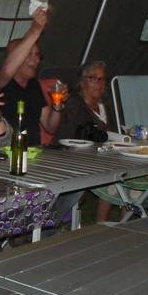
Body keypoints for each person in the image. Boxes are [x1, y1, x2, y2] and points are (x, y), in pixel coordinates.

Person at [0, 6, 63, 146]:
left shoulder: (34, 85)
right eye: (29, 54)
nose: (36, 60)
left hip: (33, 152)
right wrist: (35, 31)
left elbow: (50, 127)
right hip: (5, 152)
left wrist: (57, 104)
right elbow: (6, 72)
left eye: (37, 55)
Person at [51, 61, 115, 222]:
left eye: (102, 79)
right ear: (82, 81)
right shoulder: (74, 104)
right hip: (75, 157)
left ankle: (124, 221)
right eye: (94, 78)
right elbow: (67, 138)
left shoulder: (105, 105)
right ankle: (101, 222)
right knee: (115, 171)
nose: (99, 83)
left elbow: (112, 133)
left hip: (102, 155)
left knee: (126, 170)